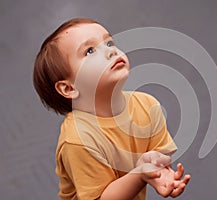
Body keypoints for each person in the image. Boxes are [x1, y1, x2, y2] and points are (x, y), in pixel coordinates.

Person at [33, 18, 190, 200]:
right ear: (69, 88)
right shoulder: (78, 139)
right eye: (90, 51)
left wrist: (158, 168)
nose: (110, 51)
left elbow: (160, 154)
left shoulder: (147, 106)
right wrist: (140, 174)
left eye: (109, 42)